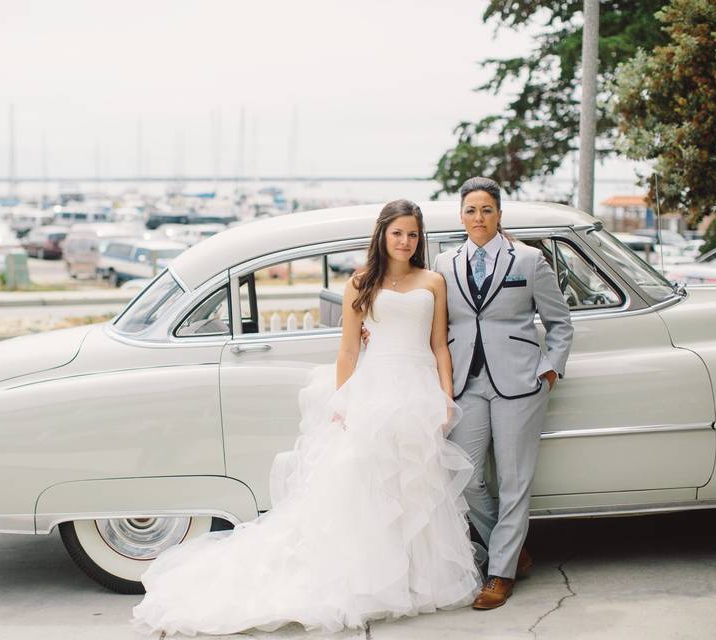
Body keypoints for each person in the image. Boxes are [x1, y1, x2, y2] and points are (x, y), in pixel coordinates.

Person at [131, 200, 480, 636]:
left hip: (419, 389)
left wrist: (445, 396)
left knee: (417, 483)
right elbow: (349, 350)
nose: (405, 241)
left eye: (412, 234)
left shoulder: (432, 281)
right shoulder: (360, 282)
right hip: (375, 388)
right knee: (369, 483)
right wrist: (344, 401)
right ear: (382, 235)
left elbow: (439, 345)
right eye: (397, 233)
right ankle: (368, 580)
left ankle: (413, 581)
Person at [434, 177, 573, 609]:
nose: (479, 218)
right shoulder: (443, 263)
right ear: (461, 216)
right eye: (471, 210)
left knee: (515, 481)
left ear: (499, 214)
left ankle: (500, 573)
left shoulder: (528, 261)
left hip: (520, 383)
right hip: (465, 384)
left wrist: (550, 369)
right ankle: (511, 550)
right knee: (467, 478)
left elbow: (560, 322)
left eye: (487, 210)